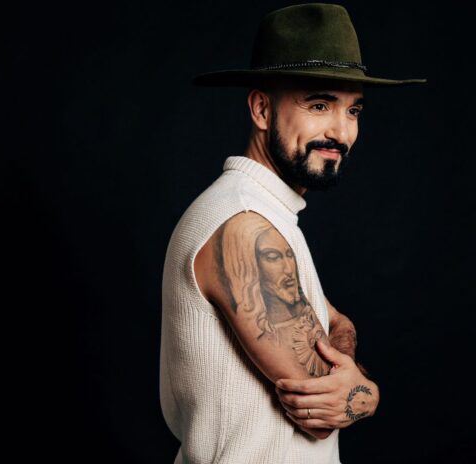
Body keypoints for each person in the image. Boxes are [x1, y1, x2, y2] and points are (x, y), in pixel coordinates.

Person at [159, 3, 426, 463]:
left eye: (353, 110)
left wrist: (343, 360)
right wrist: (368, 393)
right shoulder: (243, 226)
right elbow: (322, 413)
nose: (341, 132)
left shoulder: (267, 214)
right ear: (262, 109)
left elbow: (336, 323)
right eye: (319, 105)